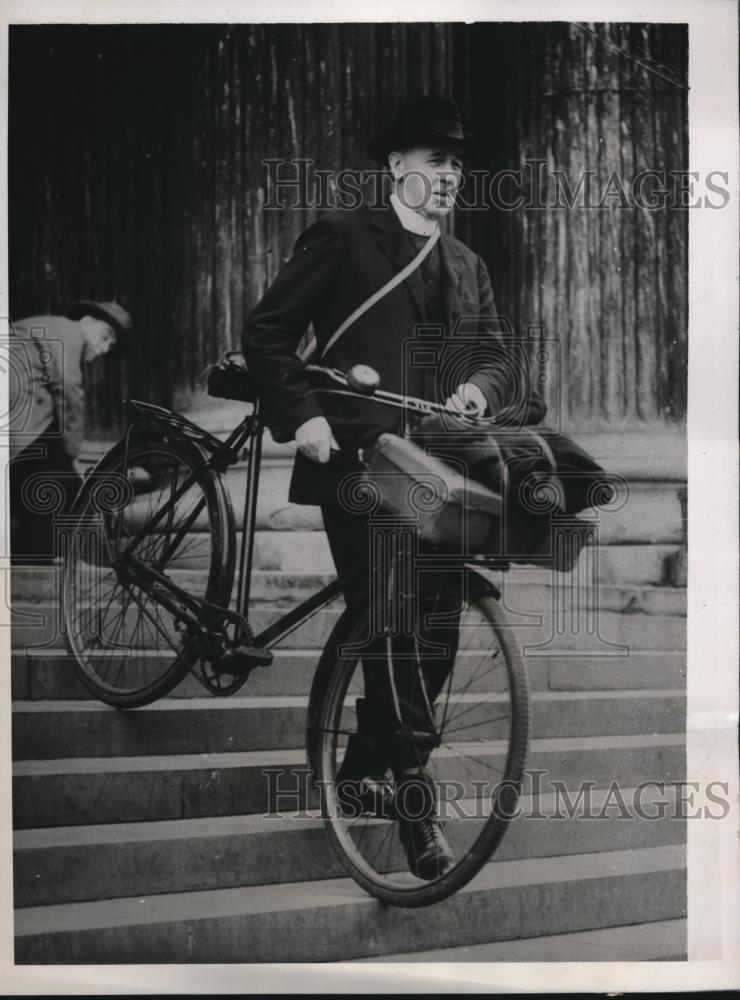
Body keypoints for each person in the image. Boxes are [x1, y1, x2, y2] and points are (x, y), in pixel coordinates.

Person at [242, 96, 541, 879]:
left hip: (440, 473)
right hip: (356, 461)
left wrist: (477, 390)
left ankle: (361, 772)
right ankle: (414, 799)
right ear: (396, 168)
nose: (449, 176)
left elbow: (499, 356)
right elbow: (269, 332)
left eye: (456, 164)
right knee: (396, 611)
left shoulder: (468, 264)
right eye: (435, 161)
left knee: (435, 629)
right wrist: (302, 416)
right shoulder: (344, 237)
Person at [9, 299, 132, 564]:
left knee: (48, 478)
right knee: (56, 474)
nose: (104, 349)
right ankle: (42, 557)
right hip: (16, 411)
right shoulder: (70, 332)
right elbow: (69, 391)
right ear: (87, 321)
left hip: (15, 411)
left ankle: (45, 553)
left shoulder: (49, 328)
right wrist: (74, 452)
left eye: (110, 346)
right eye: (105, 337)